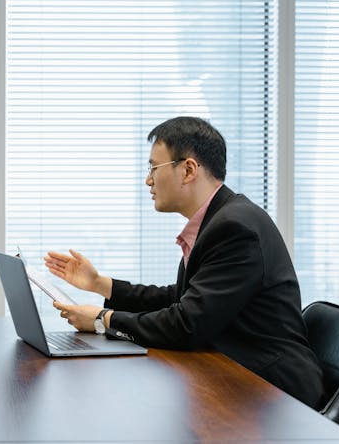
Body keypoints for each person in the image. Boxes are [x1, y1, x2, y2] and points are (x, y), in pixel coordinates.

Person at [44, 116, 324, 409]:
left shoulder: (235, 228)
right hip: (239, 375)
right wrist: (100, 284)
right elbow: (181, 298)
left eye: (153, 167)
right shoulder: (218, 221)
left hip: (274, 392)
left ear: (188, 169)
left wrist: (103, 320)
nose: (148, 180)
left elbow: (188, 324)